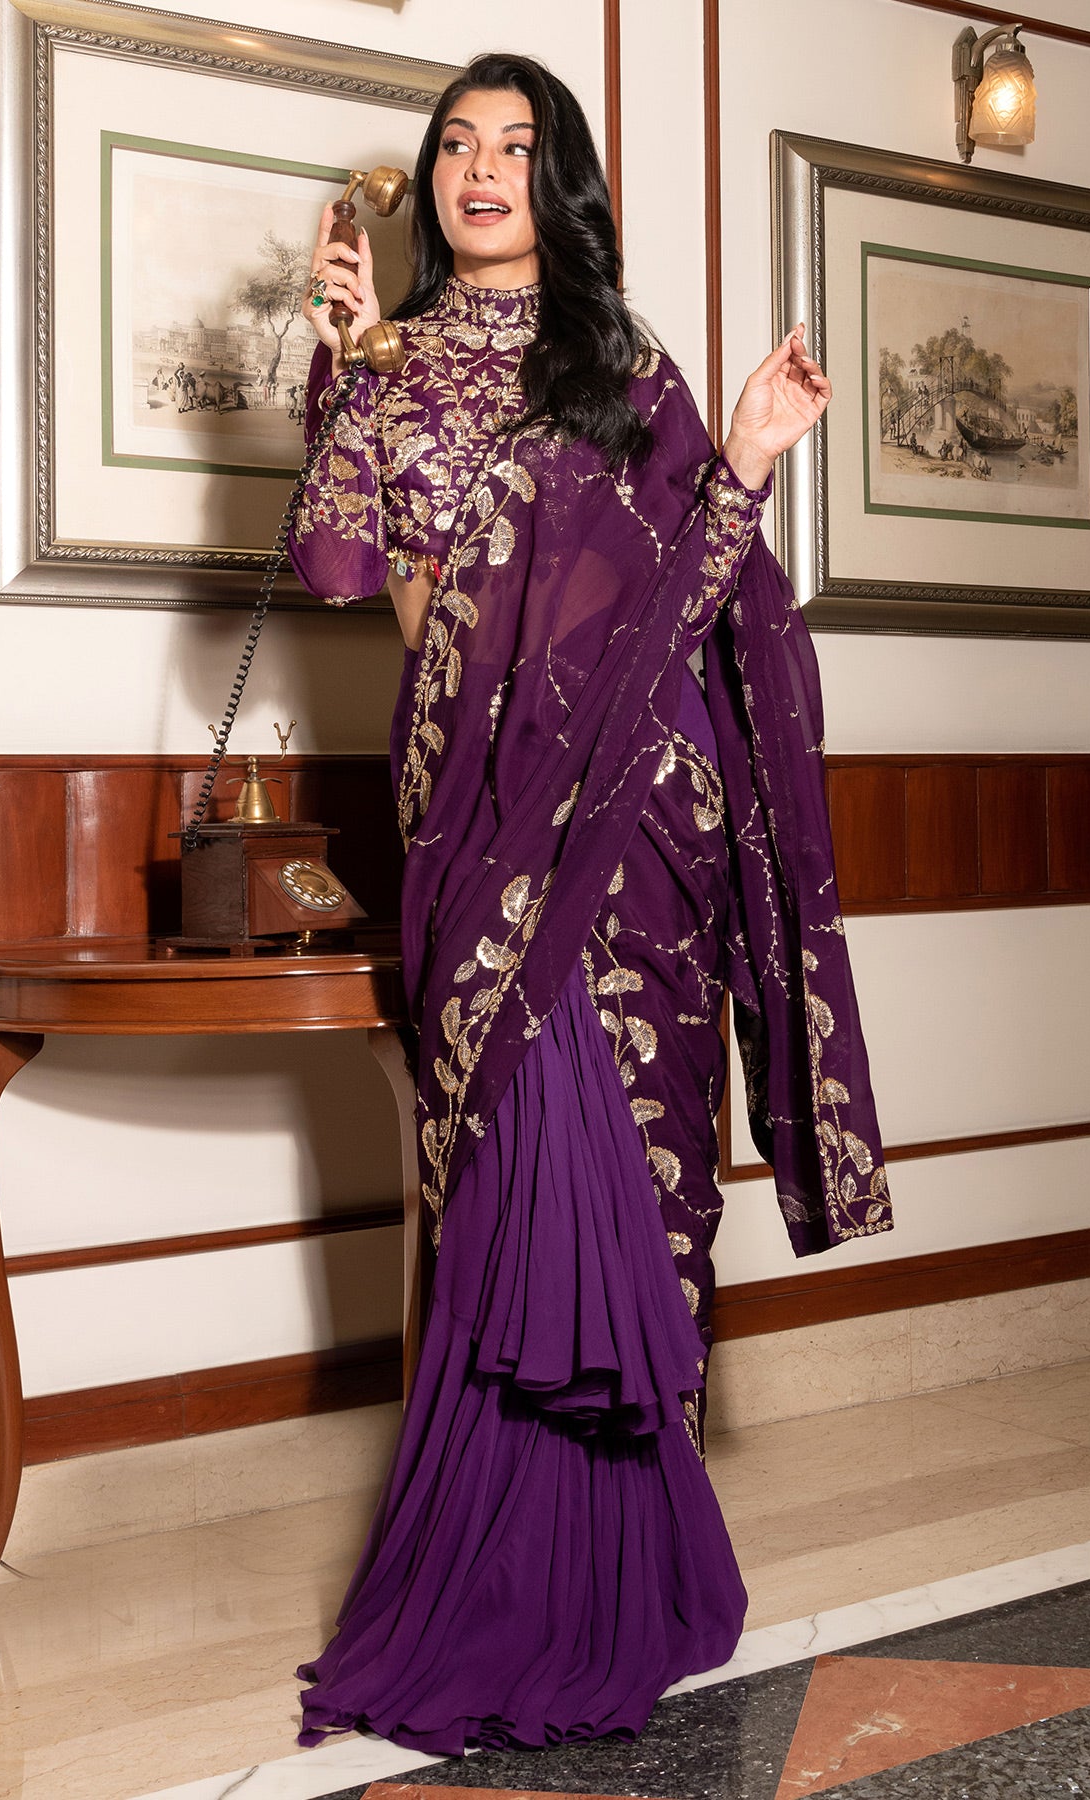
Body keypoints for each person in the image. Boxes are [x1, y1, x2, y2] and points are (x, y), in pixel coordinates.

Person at [287, 51, 890, 1757]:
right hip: (475, 819)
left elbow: (700, 599)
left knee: (643, 1169)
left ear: (557, 179)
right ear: (433, 180)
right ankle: (493, 1571)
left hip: (637, 835)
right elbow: (360, 584)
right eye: (455, 145)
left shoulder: (625, 371)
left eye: (516, 143)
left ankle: (637, 1561)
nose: (481, 168)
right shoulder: (389, 367)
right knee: (502, 1184)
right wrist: (340, 366)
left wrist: (747, 459)